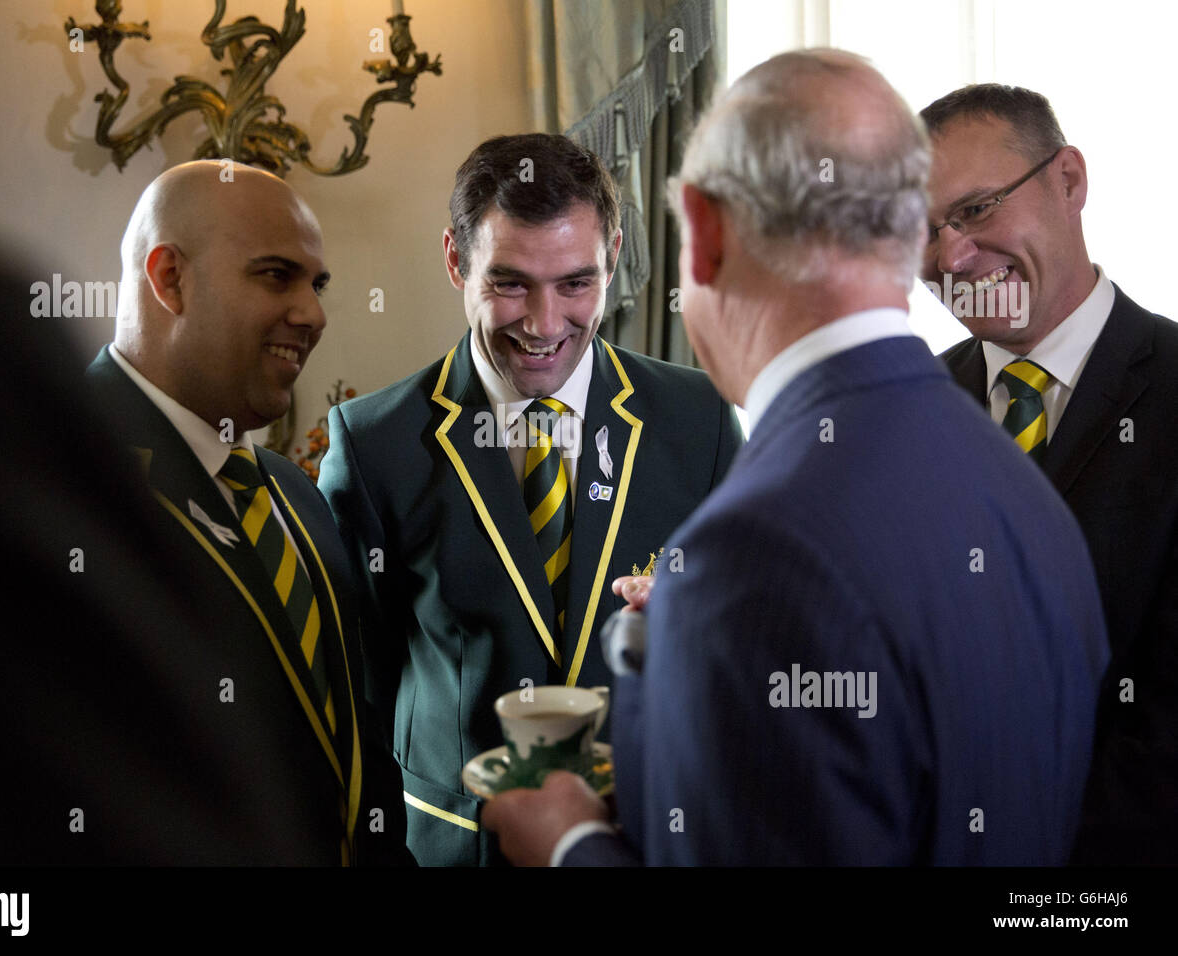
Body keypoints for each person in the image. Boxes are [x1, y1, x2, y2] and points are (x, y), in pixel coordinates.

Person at [482, 50, 1108, 866]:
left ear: (704, 232)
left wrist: (571, 846)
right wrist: (680, 654)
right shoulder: (1025, 492)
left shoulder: (755, 555)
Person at [317, 133, 744, 865]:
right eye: (510, 283)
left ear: (613, 255)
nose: (545, 326)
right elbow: (356, 696)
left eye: (576, 283)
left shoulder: (700, 418)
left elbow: (744, 651)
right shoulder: (373, 444)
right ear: (456, 260)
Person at [84, 160, 410, 865]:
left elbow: (352, 754)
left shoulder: (295, 494)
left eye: (316, 284)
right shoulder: (68, 485)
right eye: (275, 275)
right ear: (169, 278)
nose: (313, 314)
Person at [921, 85, 1178, 863]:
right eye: (919, 231)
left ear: (1068, 179)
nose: (951, 257)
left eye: (976, 210)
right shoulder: (900, 411)